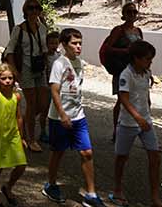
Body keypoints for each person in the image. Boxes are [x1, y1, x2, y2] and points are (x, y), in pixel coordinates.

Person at [43, 29, 102, 206]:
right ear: (64, 44)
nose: (78, 47)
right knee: (58, 152)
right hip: (59, 117)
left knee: (87, 152)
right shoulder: (59, 64)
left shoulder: (80, 63)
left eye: (80, 43)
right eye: (74, 43)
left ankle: (91, 194)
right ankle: (51, 185)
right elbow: (54, 90)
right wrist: (62, 114)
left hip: (78, 116)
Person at [111, 40, 162, 207]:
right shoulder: (126, 74)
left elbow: (145, 94)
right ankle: (117, 189)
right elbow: (124, 99)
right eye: (147, 59)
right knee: (121, 157)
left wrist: (147, 111)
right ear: (136, 58)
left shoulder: (146, 73)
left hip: (145, 121)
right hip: (128, 123)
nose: (150, 62)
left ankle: (155, 197)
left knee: (155, 156)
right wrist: (137, 118)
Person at [4, 0, 53, 152]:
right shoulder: (19, 30)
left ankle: (22, 125)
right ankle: (31, 139)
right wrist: (15, 71)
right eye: (31, 8)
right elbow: (9, 51)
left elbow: (45, 50)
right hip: (26, 69)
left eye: (37, 8)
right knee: (31, 104)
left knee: (43, 103)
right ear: (25, 11)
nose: (34, 11)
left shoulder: (42, 28)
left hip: (40, 69)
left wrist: (49, 67)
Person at [0, 63, 28, 207]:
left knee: (21, 164)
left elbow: (19, 117)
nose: (7, 81)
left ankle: (8, 187)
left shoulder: (17, 96)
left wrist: (22, 137)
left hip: (13, 134)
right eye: (3, 78)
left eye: (10, 78)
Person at [100, 5, 145, 141]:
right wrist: (125, 51)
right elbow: (108, 49)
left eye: (134, 11)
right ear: (123, 14)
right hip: (122, 70)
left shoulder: (138, 31)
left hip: (137, 70)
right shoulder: (118, 30)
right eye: (129, 12)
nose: (132, 14)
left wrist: (146, 70)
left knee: (141, 99)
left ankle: (142, 131)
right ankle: (117, 131)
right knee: (121, 100)